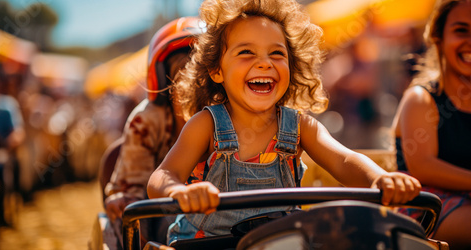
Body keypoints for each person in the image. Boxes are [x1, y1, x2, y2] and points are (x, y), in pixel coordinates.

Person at [147, 0, 422, 244]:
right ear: (217, 70)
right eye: (246, 53)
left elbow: (344, 160)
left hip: (280, 241)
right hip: (208, 243)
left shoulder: (299, 126)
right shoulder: (206, 124)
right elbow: (162, 176)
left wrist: (380, 179)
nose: (265, 63)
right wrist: (179, 191)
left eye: (277, 54)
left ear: (292, 66)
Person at [100, 17, 204, 248]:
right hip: (161, 210)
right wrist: (125, 200)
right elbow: (133, 194)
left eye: (202, 81)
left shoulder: (229, 116)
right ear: (164, 86)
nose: (193, 91)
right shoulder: (145, 121)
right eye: (182, 81)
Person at [392, 0, 471, 249]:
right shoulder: (422, 98)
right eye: (461, 30)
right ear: (438, 38)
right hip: (425, 208)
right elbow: (423, 167)